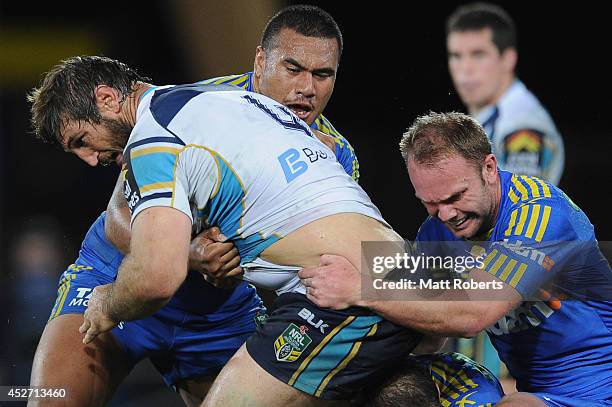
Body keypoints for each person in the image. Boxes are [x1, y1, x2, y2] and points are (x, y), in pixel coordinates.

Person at [29, 55, 422, 406]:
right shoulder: (191, 112)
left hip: (215, 308)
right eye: (295, 69)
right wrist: (188, 252)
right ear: (261, 61)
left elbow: (450, 288)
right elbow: (119, 221)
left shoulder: (316, 141)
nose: (306, 88)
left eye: (322, 74)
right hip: (119, 277)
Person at [299, 112, 612, 406]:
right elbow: (428, 336)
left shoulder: (541, 216)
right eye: (430, 203)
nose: (447, 214)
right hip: (533, 388)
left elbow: (471, 315)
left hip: (600, 389)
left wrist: (360, 288)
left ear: (489, 168)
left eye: (455, 197)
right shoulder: (437, 232)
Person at [446, 2, 565, 185]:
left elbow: (522, 206)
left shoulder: (521, 123)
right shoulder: (491, 116)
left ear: (508, 59)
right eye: (456, 56)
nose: (465, 69)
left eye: (478, 55)